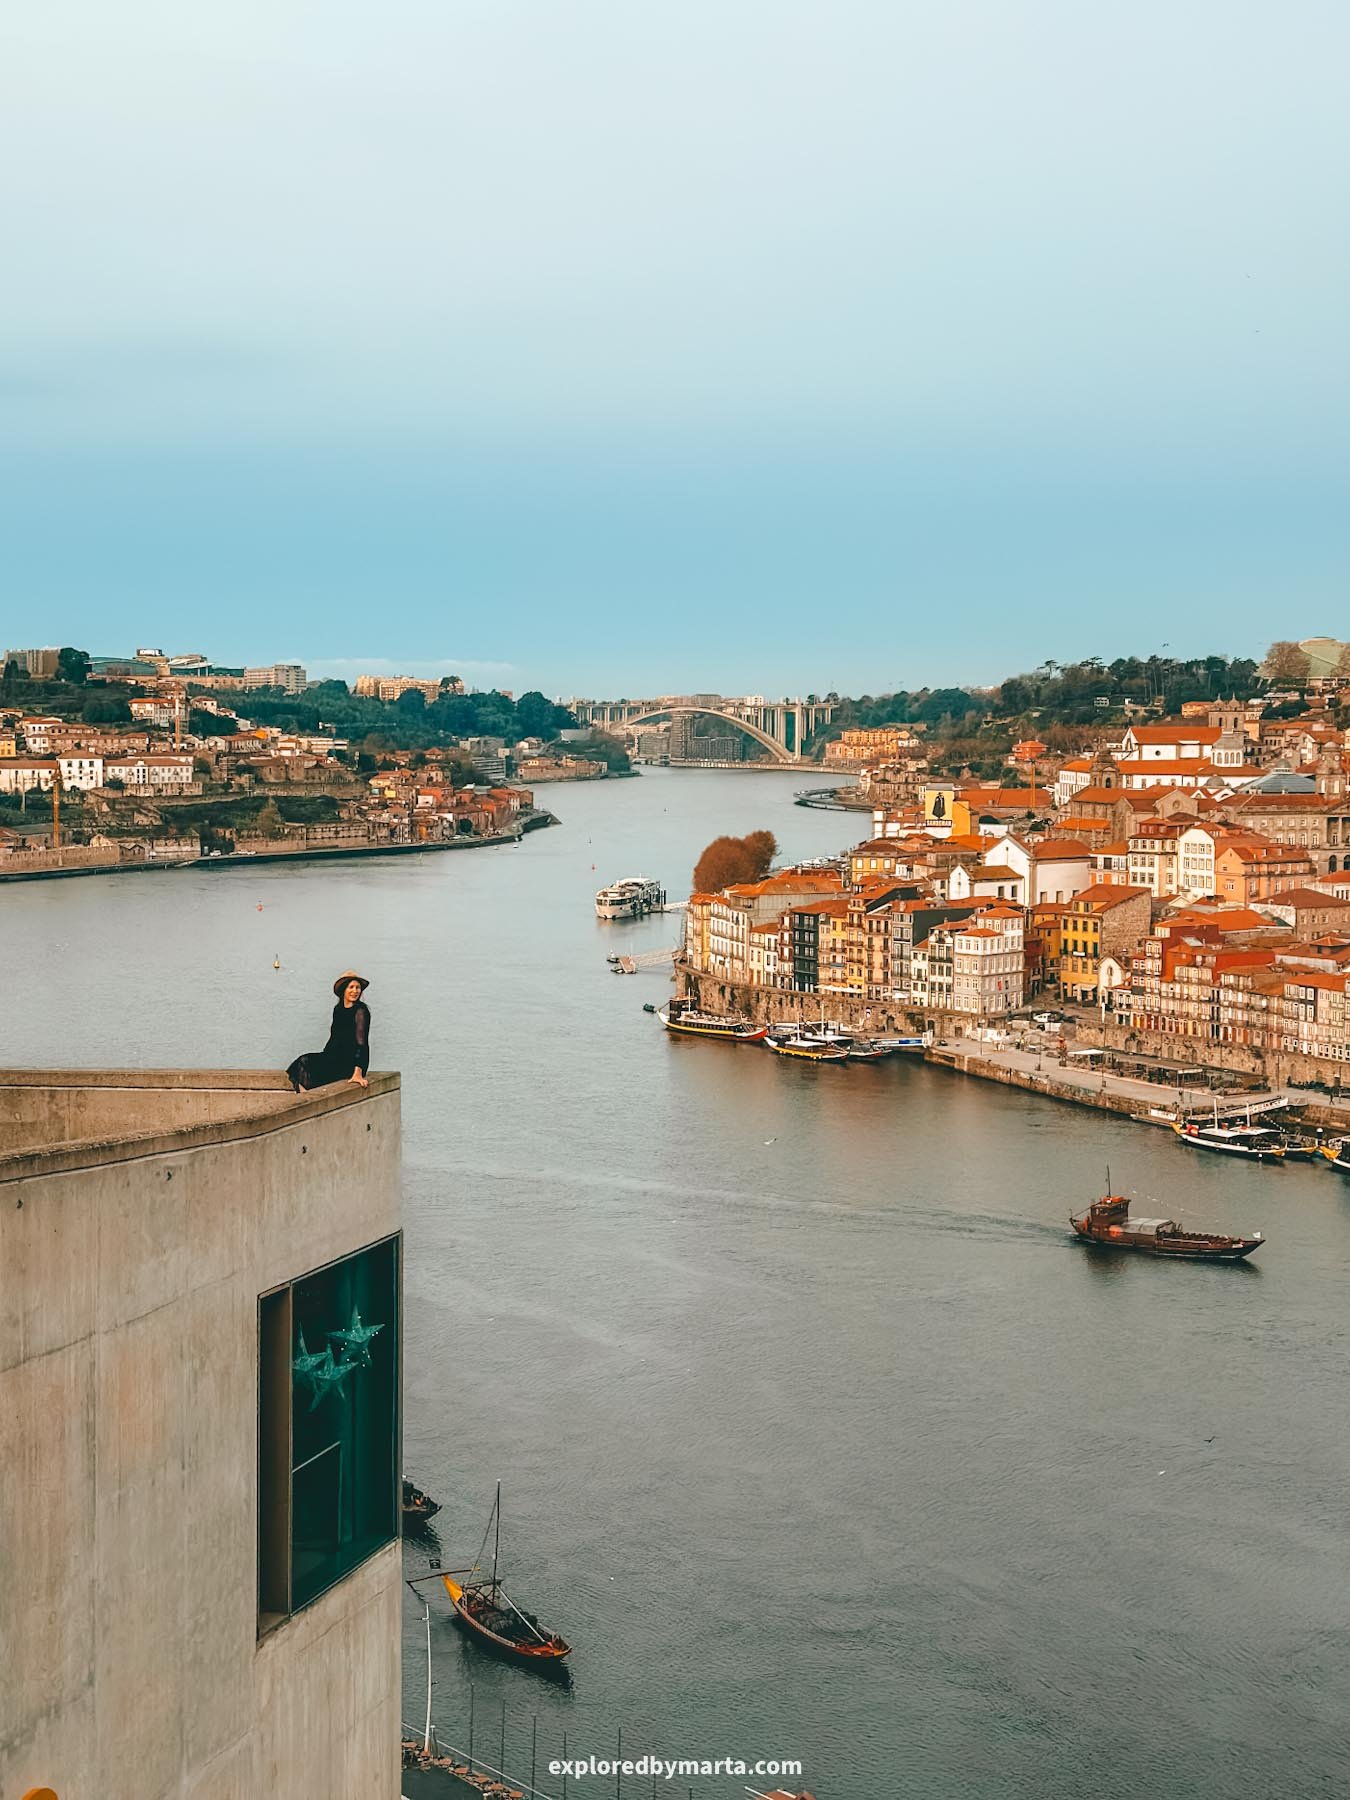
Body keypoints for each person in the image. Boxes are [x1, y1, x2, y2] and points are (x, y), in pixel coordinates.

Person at [287, 972, 372, 1092]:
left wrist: (358, 1071)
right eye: (351, 987)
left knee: (305, 1064)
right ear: (344, 990)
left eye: (358, 987)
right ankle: (306, 1098)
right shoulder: (338, 1009)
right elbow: (335, 1036)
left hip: (350, 1061)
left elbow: (361, 1043)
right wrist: (325, 1056)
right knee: (302, 1062)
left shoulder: (361, 1011)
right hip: (334, 1056)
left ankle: (308, 1099)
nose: (355, 991)